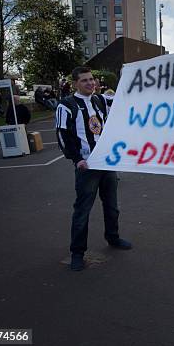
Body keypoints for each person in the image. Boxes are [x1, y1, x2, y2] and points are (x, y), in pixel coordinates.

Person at [56, 66, 132, 271]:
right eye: (84, 80)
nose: (90, 83)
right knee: (83, 210)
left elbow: (125, 101)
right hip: (87, 166)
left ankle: (113, 238)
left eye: (91, 79)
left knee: (112, 206)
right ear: (75, 83)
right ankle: (77, 253)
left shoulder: (100, 100)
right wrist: (76, 159)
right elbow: (63, 135)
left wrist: (131, 76)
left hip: (107, 163)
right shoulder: (66, 105)